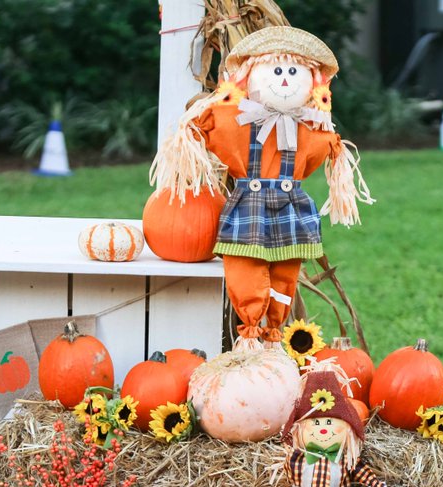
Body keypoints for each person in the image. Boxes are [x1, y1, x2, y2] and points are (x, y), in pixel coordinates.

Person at [152, 26, 372, 345]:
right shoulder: (235, 121)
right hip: (247, 207)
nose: (284, 78)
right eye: (277, 70)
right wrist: (196, 126)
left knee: (285, 272)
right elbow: (205, 122)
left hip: (290, 209)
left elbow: (329, 145)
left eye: (293, 72)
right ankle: (251, 331)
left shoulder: (310, 128)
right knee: (245, 268)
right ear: (250, 76)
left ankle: (272, 332)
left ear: (312, 82)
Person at [279, 369, 403, 487]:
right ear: (299, 430)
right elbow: (291, 472)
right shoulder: (301, 457)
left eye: (330, 423)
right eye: (316, 424)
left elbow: (363, 474)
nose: (323, 429)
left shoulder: (345, 461)